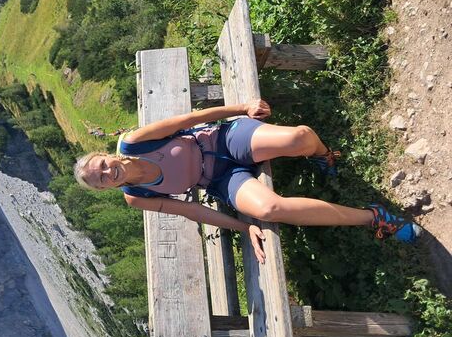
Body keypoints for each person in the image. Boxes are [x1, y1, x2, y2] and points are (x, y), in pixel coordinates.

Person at [73, 99, 420, 263]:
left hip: (222, 140)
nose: (106, 173)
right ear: (105, 189)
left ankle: (322, 156)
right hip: (219, 180)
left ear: (107, 155)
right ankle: (375, 217)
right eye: (100, 180)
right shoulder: (135, 196)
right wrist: (243, 227)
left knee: (300, 137)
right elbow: (192, 212)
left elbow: (191, 118)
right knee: (269, 209)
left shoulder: (134, 142)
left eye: (101, 165)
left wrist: (241, 108)